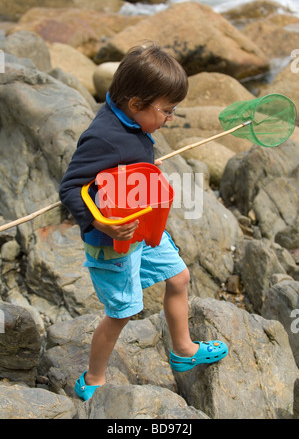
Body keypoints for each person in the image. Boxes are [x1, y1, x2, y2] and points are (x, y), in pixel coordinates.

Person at [59, 43, 228, 401]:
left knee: (179, 277)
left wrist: (145, 170)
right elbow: (72, 186)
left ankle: (183, 351)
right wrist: (101, 224)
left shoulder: (129, 117)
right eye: (166, 111)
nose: (170, 118)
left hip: (144, 228)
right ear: (135, 104)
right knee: (121, 312)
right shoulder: (102, 137)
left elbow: (121, 167)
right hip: (112, 241)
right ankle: (93, 378)